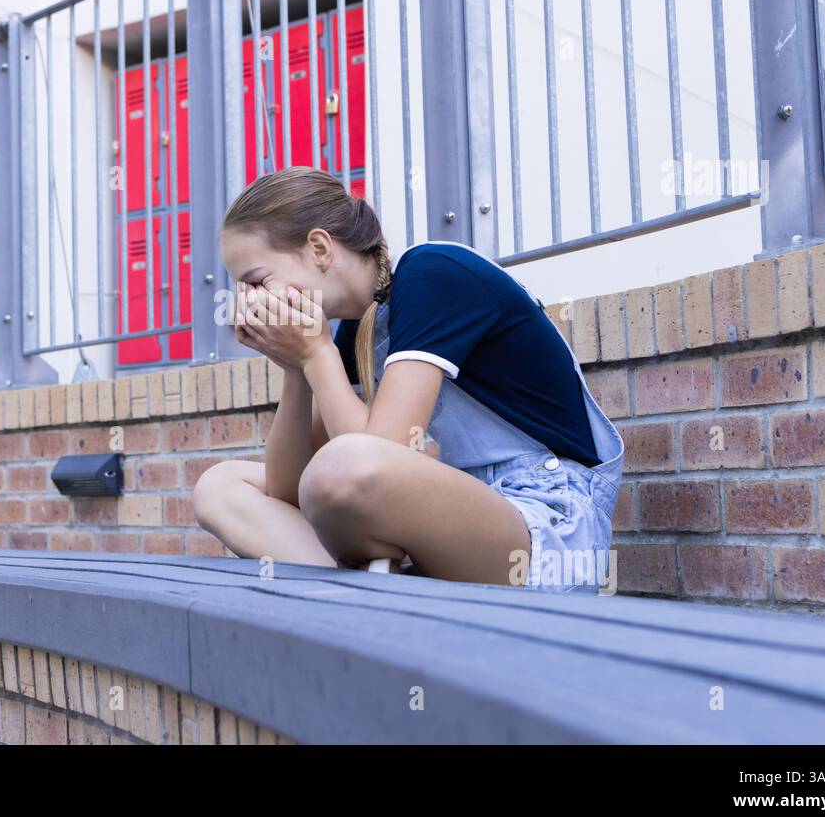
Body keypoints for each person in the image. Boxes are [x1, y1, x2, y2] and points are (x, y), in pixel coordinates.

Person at [192, 167, 624, 591]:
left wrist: (317, 355)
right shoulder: (355, 327)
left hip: (549, 523)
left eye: (256, 281)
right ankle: (370, 595)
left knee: (341, 467)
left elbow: (374, 460)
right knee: (220, 486)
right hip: (462, 519)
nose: (247, 302)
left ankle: (372, 593)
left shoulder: (431, 273)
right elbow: (288, 491)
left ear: (320, 248)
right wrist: (296, 369)